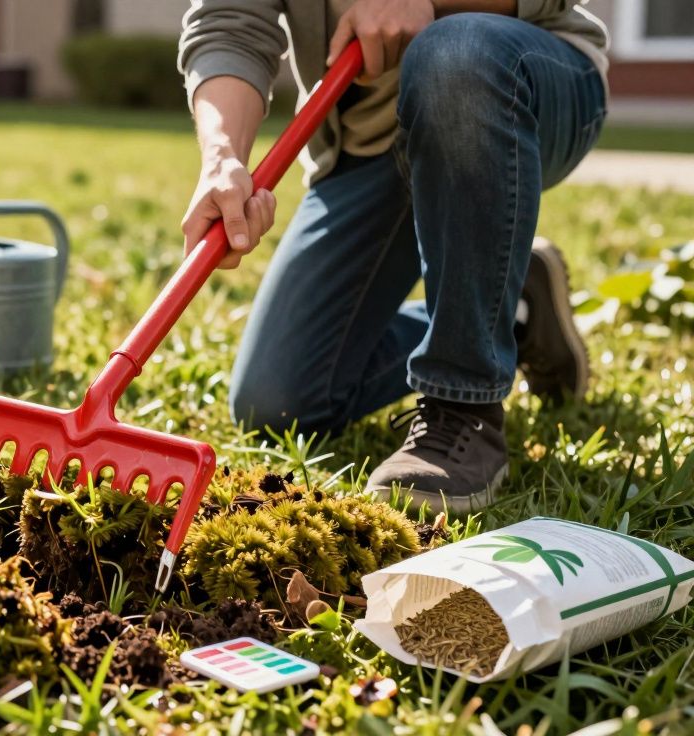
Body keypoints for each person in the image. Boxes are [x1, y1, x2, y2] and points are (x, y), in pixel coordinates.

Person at [178, 0, 607, 512]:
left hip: (516, 80)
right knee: (277, 402)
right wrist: (223, 155)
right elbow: (231, 22)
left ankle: (461, 403)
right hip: (367, 145)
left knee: (454, 51)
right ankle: (517, 310)